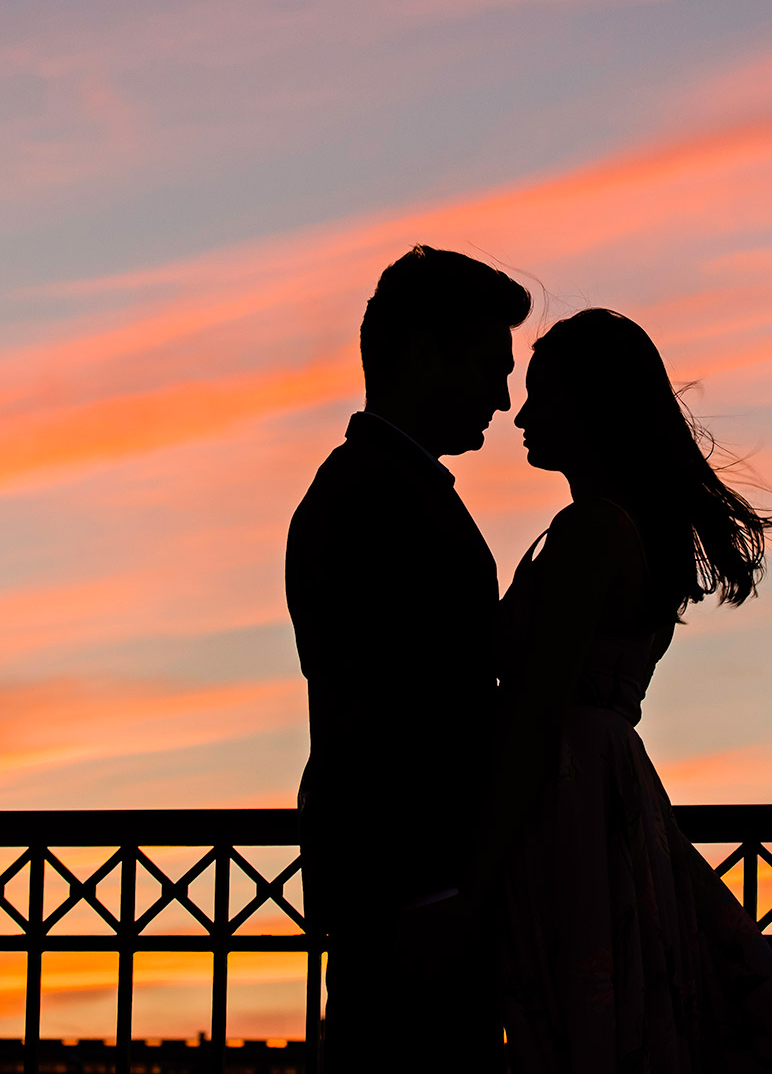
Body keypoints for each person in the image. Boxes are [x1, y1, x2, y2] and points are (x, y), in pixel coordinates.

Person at [492, 308, 772, 1074]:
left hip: (570, 796)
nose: (521, 414)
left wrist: (480, 865)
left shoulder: (594, 529)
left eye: (542, 395)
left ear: (590, 405)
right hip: (605, 791)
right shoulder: (627, 530)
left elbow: (535, 709)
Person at [285, 245, 530, 1071]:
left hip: (403, 892)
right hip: (411, 895)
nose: (503, 398)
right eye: (490, 367)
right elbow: (397, 713)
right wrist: (438, 890)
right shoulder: (379, 498)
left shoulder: (376, 487)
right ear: (425, 352)